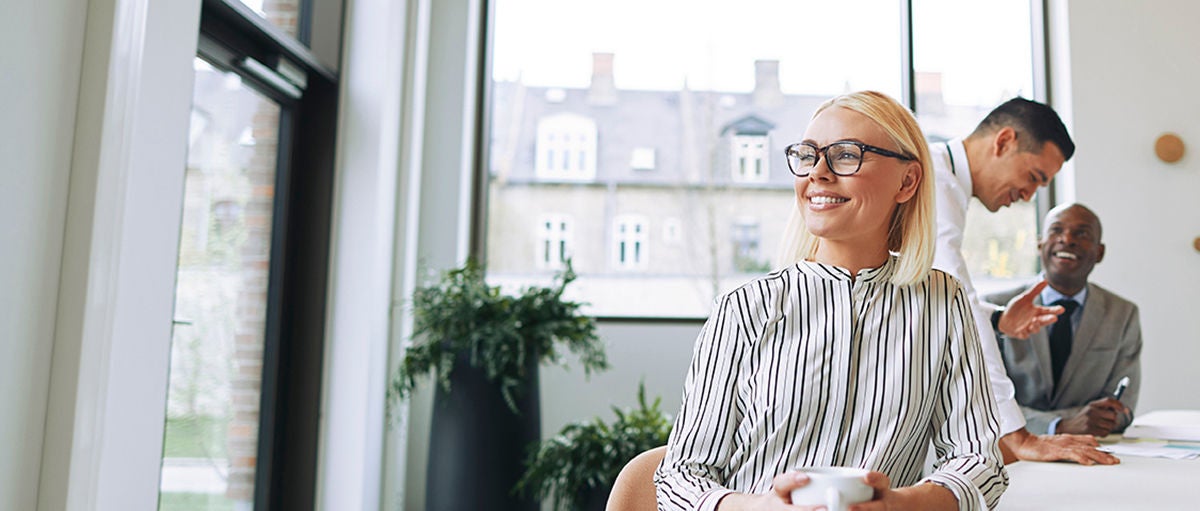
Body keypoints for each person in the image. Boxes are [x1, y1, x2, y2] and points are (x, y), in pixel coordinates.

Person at [655, 91, 1006, 511]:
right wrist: (759, 507)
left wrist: (900, 504)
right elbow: (680, 477)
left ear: (907, 181)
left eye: (845, 155)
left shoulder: (942, 304)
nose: (817, 173)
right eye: (807, 155)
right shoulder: (744, 307)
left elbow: (980, 462)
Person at [929, 98, 1119, 465]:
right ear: (1003, 142)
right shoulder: (935, 184)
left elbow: (941, 298)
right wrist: (1016, 436)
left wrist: (998, 319)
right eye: (1034, 177)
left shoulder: (945, 180)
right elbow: (956, 303)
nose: (1029, 196)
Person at [983, 203, 1141, 437]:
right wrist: (1058, 425)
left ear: (1099, 252)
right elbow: (985, 402)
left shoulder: (1122, 314)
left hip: (1088, 453)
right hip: (1008, 454)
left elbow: (1122, 407)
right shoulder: (993, 310)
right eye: (1056, 230)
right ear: (1040, 243)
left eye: (1082, 233)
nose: (1067, 239)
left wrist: (1105, 418)